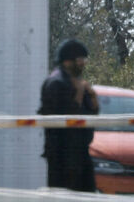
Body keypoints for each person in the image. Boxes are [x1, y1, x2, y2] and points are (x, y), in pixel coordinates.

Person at [38, 38, 100, 191]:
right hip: (62, 154)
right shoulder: (56, 83)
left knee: (87, 194)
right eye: (80, 60)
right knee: (64, 195)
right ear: (67, 61)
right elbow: (63, 116)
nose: (83, 63)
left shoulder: (76, 81)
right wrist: (78, 93)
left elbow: (91, 113)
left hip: (81, 150)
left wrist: (92, 96)